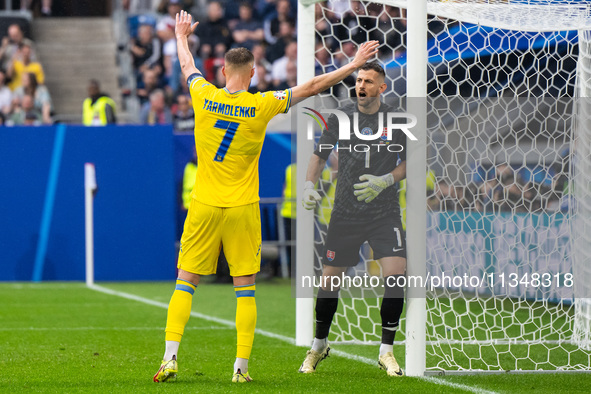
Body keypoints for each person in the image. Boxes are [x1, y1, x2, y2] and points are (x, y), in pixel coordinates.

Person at [153, 10, 379, 384]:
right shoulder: (261, 104)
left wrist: (180, 35)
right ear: (253, 73)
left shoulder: (203, 93)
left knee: (185, 281)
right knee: (245, 289)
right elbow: (311, 87)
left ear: (224, 72)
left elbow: (187, 64)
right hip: (242, 208)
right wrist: (353, 64)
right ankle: (240, 369)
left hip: (205, 204)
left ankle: (169, 358)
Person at [299, 61, 407, 377]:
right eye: (358, 80)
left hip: (384, 211)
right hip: (345, 212)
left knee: (396, 274)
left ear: (381, 88)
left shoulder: (396, 120)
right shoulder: (341, 116)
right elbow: (319, 154)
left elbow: (410, 162)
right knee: (329, 280)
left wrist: (386, 180)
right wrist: (309, 185)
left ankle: (386, 351)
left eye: (368, 81)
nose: (361, 85)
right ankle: (319, 345)